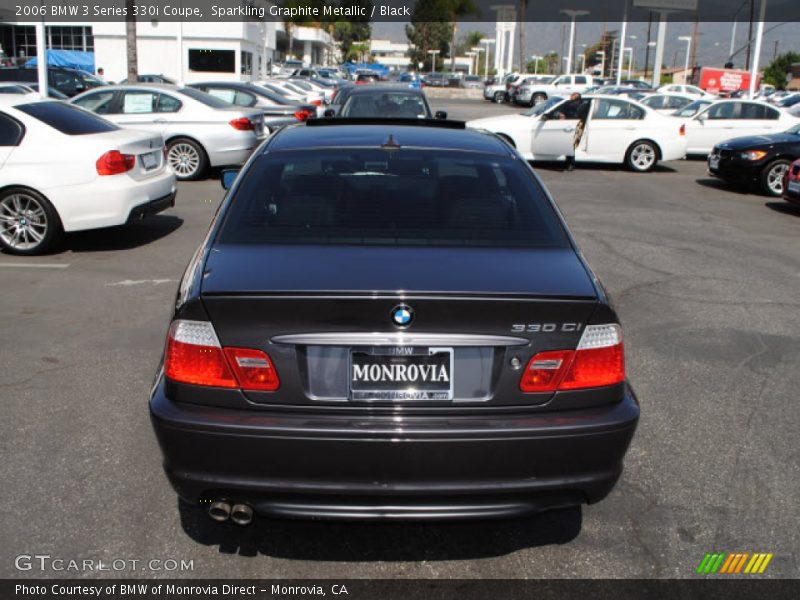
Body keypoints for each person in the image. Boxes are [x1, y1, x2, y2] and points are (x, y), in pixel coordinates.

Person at [556, 92, 590, 172]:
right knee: (570, 146)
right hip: (576, 125)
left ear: (576, 97)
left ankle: (570, 164)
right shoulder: (581, 104)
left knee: (570, 146)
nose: (570, 96)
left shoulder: (572, 105)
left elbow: (563, 114)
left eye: (572, 95)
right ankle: (569, 163)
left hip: (573, 126)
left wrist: (562, 115)